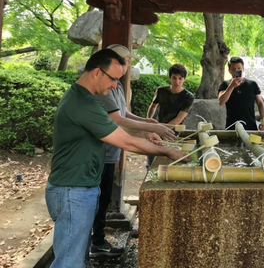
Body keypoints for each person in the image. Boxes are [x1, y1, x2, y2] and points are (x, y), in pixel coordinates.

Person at [45, 49, 188, 268]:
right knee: (68, 262)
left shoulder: (85, 98)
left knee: (76, 257)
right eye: (113, 79)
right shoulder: (85, 104)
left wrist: (146, 131)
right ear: (96, 72)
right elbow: (125, 142)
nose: (115, 86)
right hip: (72, 190)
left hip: (78, 187)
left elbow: (116, 130)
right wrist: (168, 151)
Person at [90, 45, 177, 259]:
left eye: (128, 61)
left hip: (111, 151)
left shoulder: (115, 84)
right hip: (100, 153)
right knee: (96, 200)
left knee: (102, 197)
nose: (128, 65)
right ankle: (96, 242)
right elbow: (117, 121)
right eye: (124, 61)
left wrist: (145, 122)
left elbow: (123, 112)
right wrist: (152, 131)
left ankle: (96, 242)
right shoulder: (102, 88)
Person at [146, 63, 195, 168]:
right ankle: (149, 169)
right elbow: (153, 106)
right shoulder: (161, 90)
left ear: (184, 79)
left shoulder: (188, 96)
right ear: (169, 78)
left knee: (171, 160)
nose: (177, 81)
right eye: (174, 78)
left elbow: (178, 119)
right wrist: (148, 120)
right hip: (159, 127)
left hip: (176, 132)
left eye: (180, 78)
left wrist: (159, 129)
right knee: (151, 155)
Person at [218, 57, 264, 130]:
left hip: (250, 126)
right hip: (232, 127)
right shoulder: (225, 85)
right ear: (229, 70)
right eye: (234, 69)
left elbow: (260, 103)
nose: (237, 71)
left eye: (239, 68)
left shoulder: (252, 84)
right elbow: (221, 102)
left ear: (243, 68)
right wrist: (231, 86)